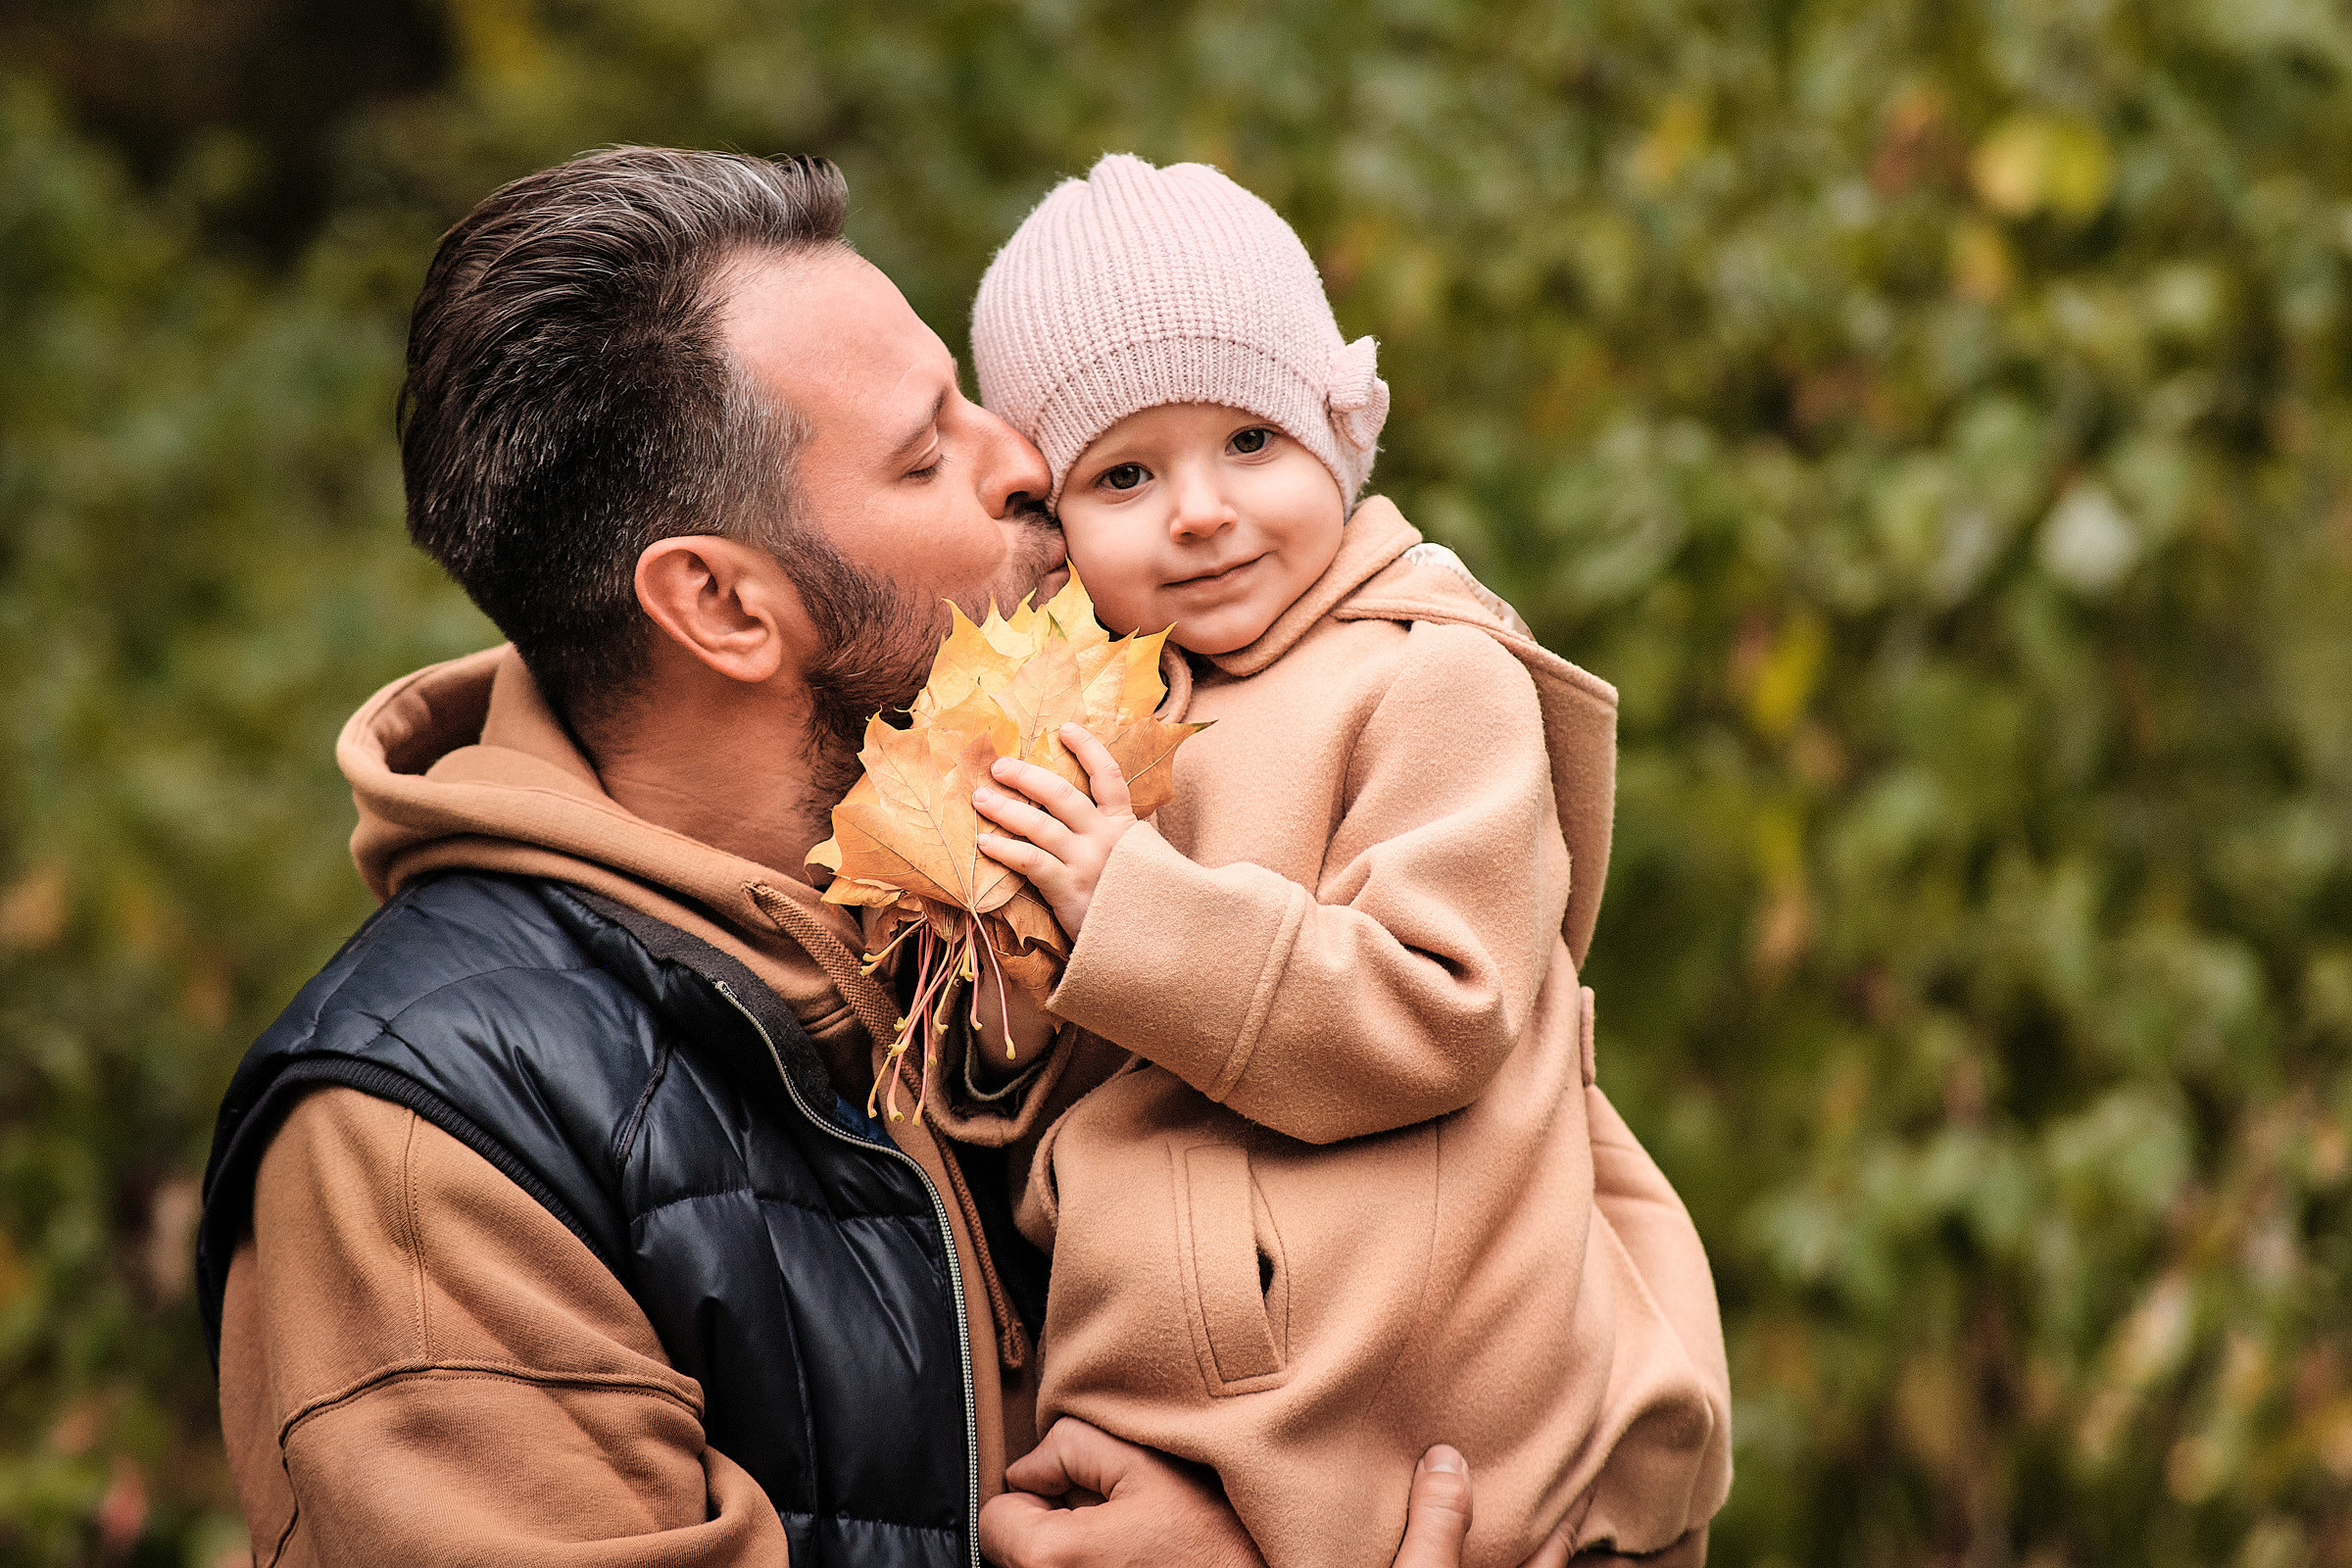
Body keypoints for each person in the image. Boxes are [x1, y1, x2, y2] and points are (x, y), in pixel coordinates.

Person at [192, 147, 1492, 1567]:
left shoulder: (1003, 929)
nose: (1033, 469)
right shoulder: (424, 1148)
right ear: (724, 605)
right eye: (930, 452)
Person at [938, 155, 1735, 1568]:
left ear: (1339, 435)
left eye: (1251, 442)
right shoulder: (1086, 715)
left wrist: (1129, 906)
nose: (1198, 508)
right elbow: (1051, 1091)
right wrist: (1001, 987)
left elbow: (1439, 1005)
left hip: (1418, 1399)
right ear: (1055, 525)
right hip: (1183, 1399)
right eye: (1125, 473)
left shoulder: (1427, 680)